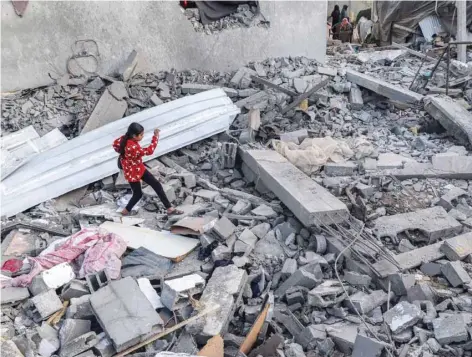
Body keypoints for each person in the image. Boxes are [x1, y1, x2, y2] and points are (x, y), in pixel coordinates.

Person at [113, 123, 183, 216]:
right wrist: (156, 137)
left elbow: (115, 145)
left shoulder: (122, 139)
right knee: (141, 192)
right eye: (141, 135)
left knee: (151, 187)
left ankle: (169, 208)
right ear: (134, 136)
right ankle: (124, 212)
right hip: (136, 171)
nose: (143, 136)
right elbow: (150, 150)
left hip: (132, 170)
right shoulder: (133, 147)